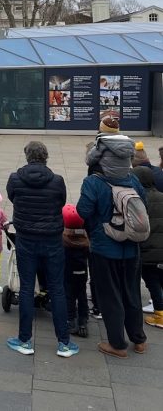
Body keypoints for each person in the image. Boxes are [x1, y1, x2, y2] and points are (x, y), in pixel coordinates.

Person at [77, 130, 147, 357]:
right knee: (132, 293)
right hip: (131, 249)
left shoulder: (94, 182)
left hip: (104, 248)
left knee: (110, 296)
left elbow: (83, 211)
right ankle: (139, 340)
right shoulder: (133, 179)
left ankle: (117, 344)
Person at [6, 141, 78, 358]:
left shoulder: (15, 179)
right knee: (57, 288)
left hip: (26, 238)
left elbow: (12, 198)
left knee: (27, 288)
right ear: (46, 156)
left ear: (27, 156)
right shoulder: (57, 181)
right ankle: (63, 343)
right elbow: (61, 203)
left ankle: (25, 340)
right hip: (52, 240)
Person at [132, 166, 163, 328]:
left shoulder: (140, 200)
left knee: (153, 283)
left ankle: (160, 315)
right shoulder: (161, 196)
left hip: (148, 251)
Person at [62, 204, 90, 338]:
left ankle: (71, 319)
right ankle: (83, 320)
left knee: (69, 296)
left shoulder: (64, 240)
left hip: (68, 273)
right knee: (82, 294)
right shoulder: (86, 239)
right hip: (82, 272)